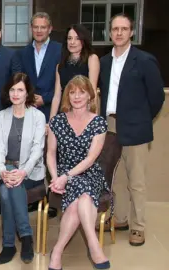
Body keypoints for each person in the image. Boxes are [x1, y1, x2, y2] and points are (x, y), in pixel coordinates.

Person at [98, 13, 165, 247]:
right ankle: (121, 219)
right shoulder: (104, 62)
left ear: (132, 32)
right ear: (109, 32)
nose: (119, 33)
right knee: (116, 178)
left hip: (136, 127)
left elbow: (157, 97)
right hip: (110, 125)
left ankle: (138, 227)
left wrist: (142, 119)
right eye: (115, 29)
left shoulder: (144, 60)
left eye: (123, 29)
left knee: (136, 180)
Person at [47, 75, 110, 270]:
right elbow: (50, 154)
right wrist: (56, 177)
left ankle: (58, 251)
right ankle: (94, 248)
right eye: (72, 92)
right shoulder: (57, 121)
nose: (76, 96)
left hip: (90, 172)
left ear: (90, 95)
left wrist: (66, 177)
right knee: (80, 199)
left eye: (82, 92)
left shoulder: (99, 123)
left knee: (81, 193)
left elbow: (90, 159)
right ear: (67, 96)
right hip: (63, 172)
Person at [0, 73, 46, 265]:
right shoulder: (1, 116)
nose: (16, 94)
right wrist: (1, 170)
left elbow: (37, 149)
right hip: (6, 168)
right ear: (8, 92)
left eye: (20, 90)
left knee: (7, 193)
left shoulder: (38, 116)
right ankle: (26, 237)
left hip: (31, 171)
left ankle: (11, 243)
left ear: (27, 93)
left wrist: (23, 172)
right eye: (12, 89)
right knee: (8, 189)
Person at [15, 12, 62, 218]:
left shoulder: (60, 50)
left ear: (50, 29)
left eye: (43, 27)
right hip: (30, 111)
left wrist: (47, 98)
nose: (39, 30)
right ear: (31, 29)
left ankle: (53, 200)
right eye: (36, 27)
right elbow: (21, 80)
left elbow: (64, 82)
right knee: (30, 154)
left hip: (52, 109)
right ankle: (34, 197)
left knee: (52, 155)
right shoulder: (23, 52)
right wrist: (30, 97)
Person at [50, 24, 99, 119]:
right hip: (65, 113)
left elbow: (93, 91)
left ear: (83, 41)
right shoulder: (60, 65)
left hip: (84, 113)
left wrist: (93, 119)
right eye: (69, 38)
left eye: (77, 38)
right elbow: (57, 96)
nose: (72, 42)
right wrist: (51, 120)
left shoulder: (92, 59)